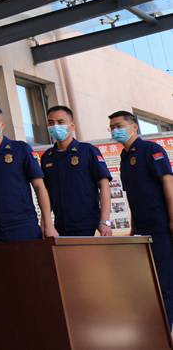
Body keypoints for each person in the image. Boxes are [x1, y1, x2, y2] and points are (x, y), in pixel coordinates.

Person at [109, 110, 173, 327]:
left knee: (165, 281)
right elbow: (133, 196)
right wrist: (133, 227)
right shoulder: (124, 158)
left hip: (161, 225)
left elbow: (168, 183)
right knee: (148, 281)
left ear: (134, 127)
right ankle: (155, 327)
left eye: (119, 126)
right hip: (142, 229)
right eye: (112, 128)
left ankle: (166, 331)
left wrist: (172, 219)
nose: (115, 131)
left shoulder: (151, 150)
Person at [0, 103, 55, 243]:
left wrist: (48, 224)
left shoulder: (21, 150)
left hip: (24, 227)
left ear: (2, 125)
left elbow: (39, 187)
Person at [41, 105, 113, 236]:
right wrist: (45, 224)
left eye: (60, 122)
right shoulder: (47, 157)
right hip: (59, 226)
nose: (55, 126)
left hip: (86, 224)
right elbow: (45, 193)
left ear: (72, 126)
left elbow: (104, 185)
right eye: (51, 123)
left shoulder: (87, 151)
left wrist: (105, 221)